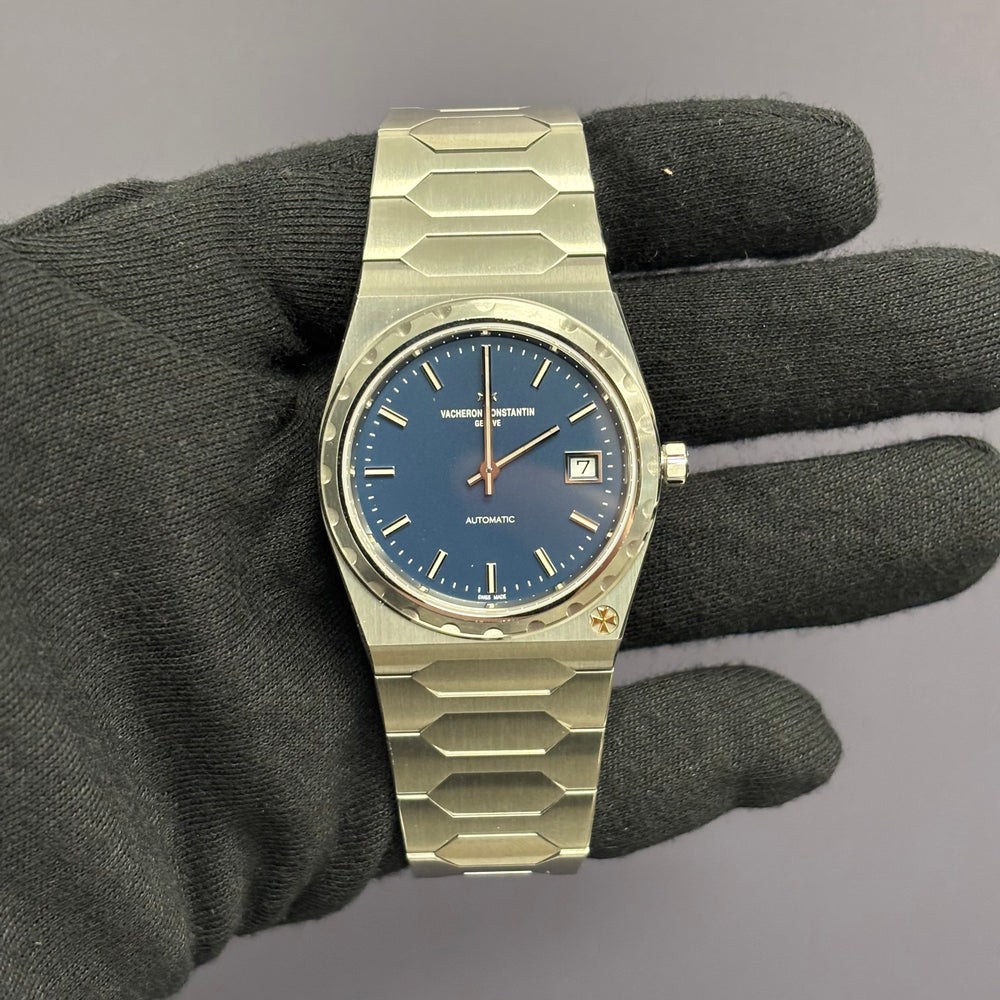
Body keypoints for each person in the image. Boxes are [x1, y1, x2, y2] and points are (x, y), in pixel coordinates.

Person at [1, 98, 997, 999]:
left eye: (501, 465)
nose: (485, 477)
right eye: (479, 468)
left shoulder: (557, 468)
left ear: (652, 471)